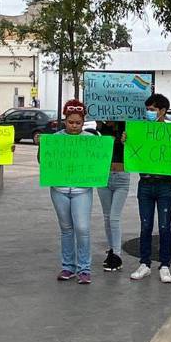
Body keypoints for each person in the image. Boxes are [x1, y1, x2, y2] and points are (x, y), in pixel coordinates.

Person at [48, 101, 96, 283]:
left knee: (82, 228)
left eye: (78, 122)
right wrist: (41, 146)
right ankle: (68, 267)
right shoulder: (55, 139)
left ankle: (84, 268)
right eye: (70, 122)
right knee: (66, 229)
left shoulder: (91, 140)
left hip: (82, 190)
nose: (74, 126)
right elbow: (43, 160)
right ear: (65, 121)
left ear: (83, 123)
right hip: (59, 189)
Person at [130, 94, 171, 283]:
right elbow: (132, 151)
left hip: (165, 185)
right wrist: (127, 140)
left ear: (163, 111)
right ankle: (144, 264)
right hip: (145, 184)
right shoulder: (139, 130)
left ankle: (165, 265)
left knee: (164, 226)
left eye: (153, 109)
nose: (149, 113)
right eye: (147, 109)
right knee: (145, 225)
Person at [95, 120, 128, 272]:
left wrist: (125, 140)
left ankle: (117, 255)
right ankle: (111, 250)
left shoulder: (127, 128)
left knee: (114, 217)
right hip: (104, 175)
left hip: (121, 176)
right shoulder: (101, 128)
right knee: (107, 216)